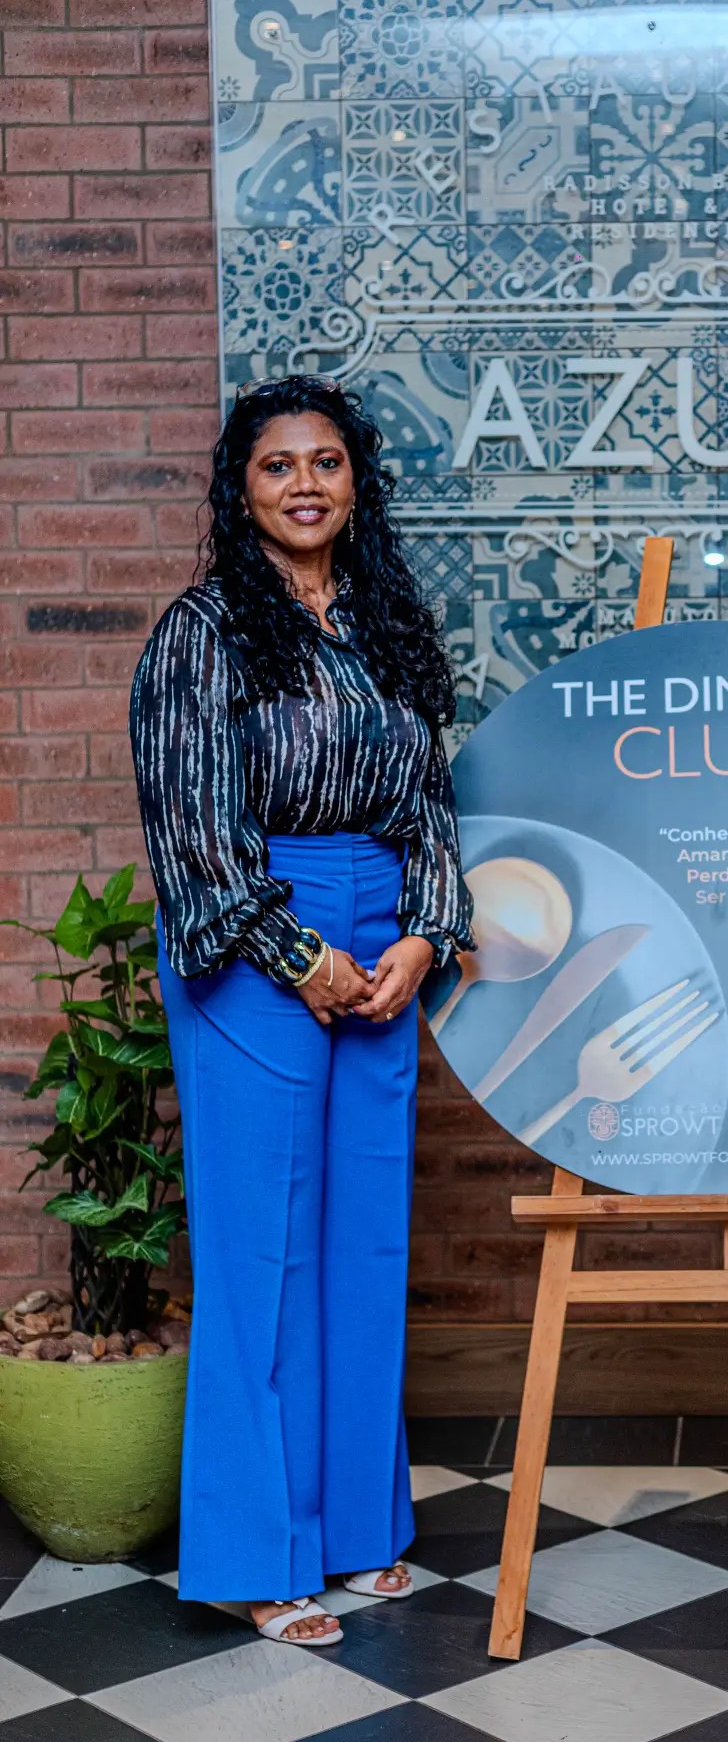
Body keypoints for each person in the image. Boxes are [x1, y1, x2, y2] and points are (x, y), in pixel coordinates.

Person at [130, 375, 474, 1646]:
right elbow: (190, 825)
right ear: (242, 489)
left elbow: (429, 798)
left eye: (325, 461)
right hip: (254, 936)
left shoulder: (385, 621)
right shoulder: (203, 630)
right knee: (260, 1248)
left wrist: (425, 933)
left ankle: (353, 1526)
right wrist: (298, 954)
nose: (305, 484)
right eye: (277, 465)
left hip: (383, 934)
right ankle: (258, 1553)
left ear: (355, 480)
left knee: (363, 1238)